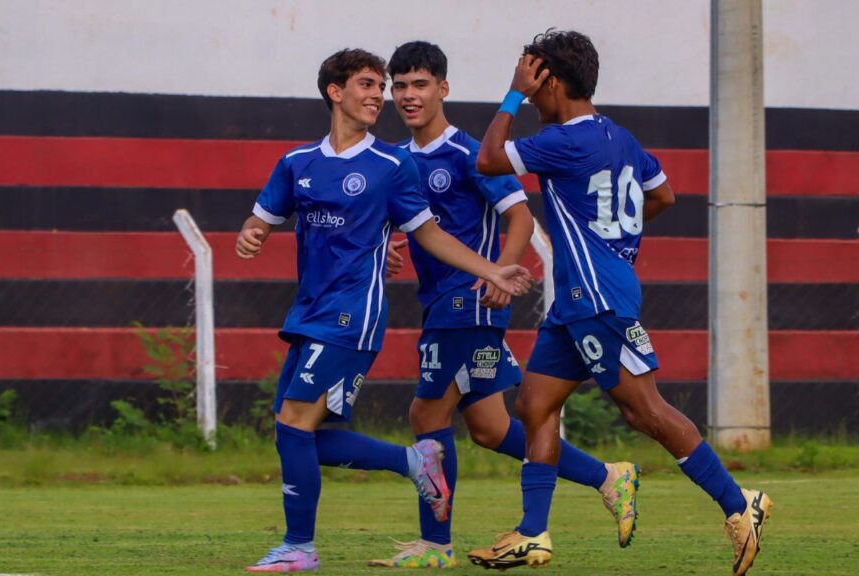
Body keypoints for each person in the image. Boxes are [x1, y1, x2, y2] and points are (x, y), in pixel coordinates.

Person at [465, 31, 773, 575]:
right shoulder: (620, 138)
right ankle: (532, 534)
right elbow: (664, 194)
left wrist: (510, 94)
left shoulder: (563, 140)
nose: (532, 98)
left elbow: (489, 158)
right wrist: (617, 236)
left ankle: (737, 504)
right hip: (578, 301)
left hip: (598, 298)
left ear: (552, 83)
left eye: (536, 87)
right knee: (534, 407)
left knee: (643, 409)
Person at [235, 48, 533, 573]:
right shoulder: (296, 162)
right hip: (306, 314)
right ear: (335, 92)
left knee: (294, 421)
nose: (380, 96)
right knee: (296, 433)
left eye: (382, 86)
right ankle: (413, 461)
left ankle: (300, 547)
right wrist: (253, 235)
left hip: (354, 314)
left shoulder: (393, 165)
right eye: (370, 85)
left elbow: (431, 233)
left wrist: (491, 270)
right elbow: (262, 219)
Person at [367, 40, 641, 569]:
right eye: (398, 86)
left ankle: (435, 544)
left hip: (468, 301)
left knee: (426, 414)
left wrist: (499, 272)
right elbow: (420, 228)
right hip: (440, 302)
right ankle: (608, 476)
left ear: (443, 88)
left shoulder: (467, 152)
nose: (408, 96)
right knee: (492, 429)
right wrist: (391, 251)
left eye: (420, 84)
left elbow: (519, 216)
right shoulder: (398, 161)